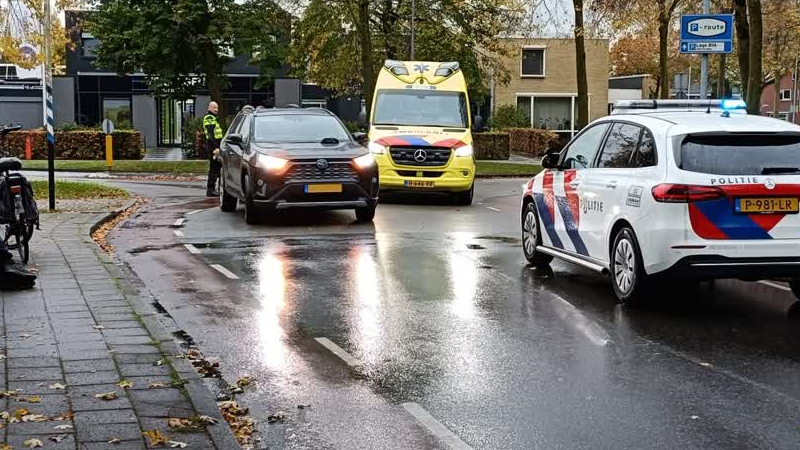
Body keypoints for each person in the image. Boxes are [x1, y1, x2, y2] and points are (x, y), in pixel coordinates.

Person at [204, 102, 224, 197]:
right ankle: (211, 190)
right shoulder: (209, 118)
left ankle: (216, 189)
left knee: (218, 168)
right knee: (214, 168)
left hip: (215, 146)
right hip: (213, 146)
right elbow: (211, 134)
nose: (216, 109)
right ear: (209, 108)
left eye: (217, 107)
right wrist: (216, 147)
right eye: (214, 107)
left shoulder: (214, 118)